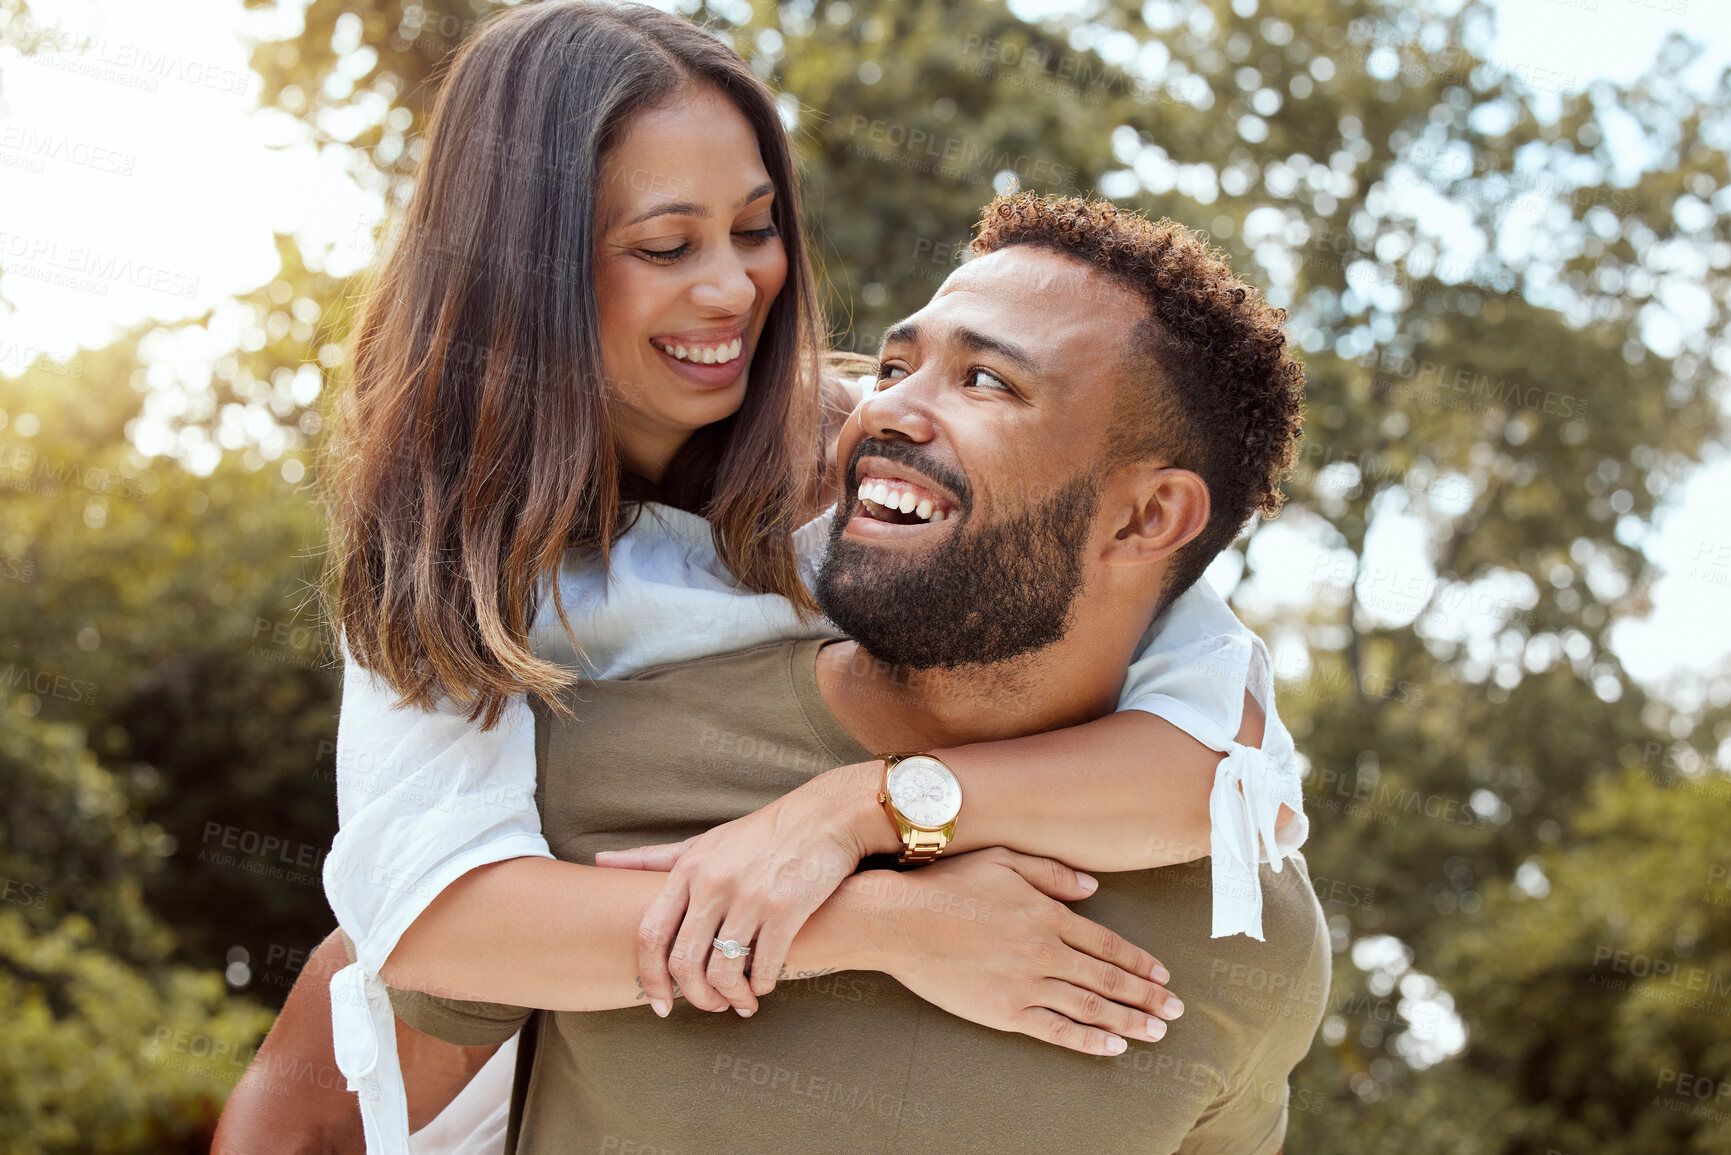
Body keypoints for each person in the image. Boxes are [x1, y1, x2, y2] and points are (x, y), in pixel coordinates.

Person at [317, 3, 1307, 1150]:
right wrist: (880, 921)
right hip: (534, 1037)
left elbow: (1231, 775)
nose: (735, 290)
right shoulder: (449, 546)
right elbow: (437, 923)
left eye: (755, 228)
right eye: (664, 246)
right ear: (523, 270)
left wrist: (854, 811)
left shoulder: (872, 456)